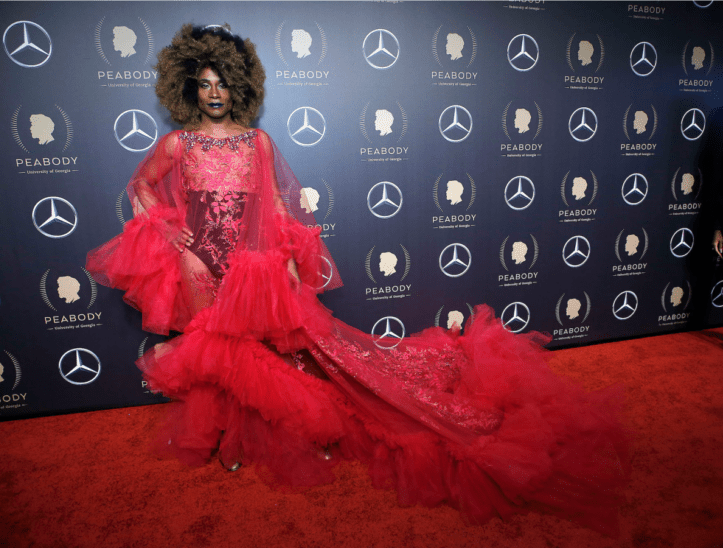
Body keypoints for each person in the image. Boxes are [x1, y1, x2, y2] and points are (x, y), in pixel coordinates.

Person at [87, 25, 629, 537]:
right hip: (201, 262)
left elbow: (276, 203)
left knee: (263, 350)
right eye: (203, 84)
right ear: (188, 87)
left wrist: (292, 264)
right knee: (219, 350)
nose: (214, 93)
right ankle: (229, 436)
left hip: (253, 264)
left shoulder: (259, 142)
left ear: (239, 86)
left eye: (223, 82)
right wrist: (174, 239)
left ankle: (261, 435)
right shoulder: (179, 145)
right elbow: (141, 187)